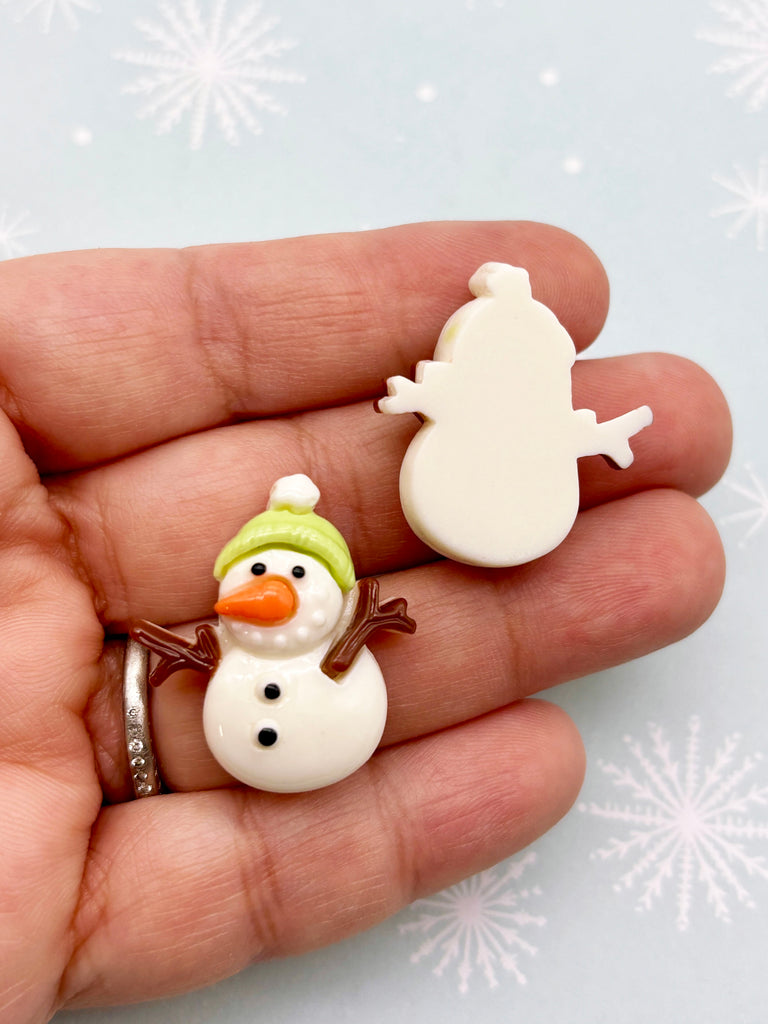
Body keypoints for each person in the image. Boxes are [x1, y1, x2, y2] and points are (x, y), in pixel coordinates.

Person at [0, 221, 731, 1022]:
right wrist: (182, 651)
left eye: (289, 574)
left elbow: (345, 647)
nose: (265, 593)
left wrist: (362, 623)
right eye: (253, 574)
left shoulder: (343, 617)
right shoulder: (237, 641)